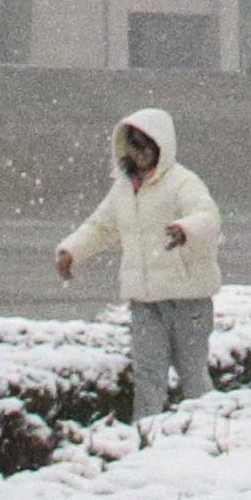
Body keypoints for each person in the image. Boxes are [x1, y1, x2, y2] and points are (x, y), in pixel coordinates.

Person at [53, 104, 224, 420]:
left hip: (188, 300)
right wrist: (71, 251)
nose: (140, 152)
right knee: (148, 377)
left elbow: (208, 217)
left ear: (161, 145)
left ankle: (206, 437)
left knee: (194, 378)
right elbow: (101, 227)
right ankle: (146, 440)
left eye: (146, 144)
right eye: (134, 144)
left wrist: (184, 230)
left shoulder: (183, 182)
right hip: (145, 302)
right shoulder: (122, 188)